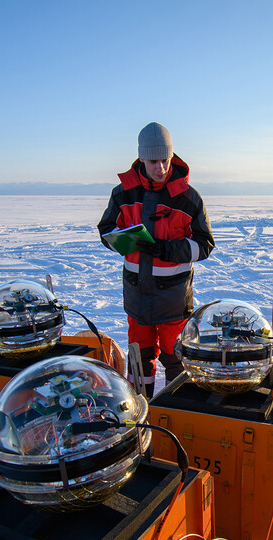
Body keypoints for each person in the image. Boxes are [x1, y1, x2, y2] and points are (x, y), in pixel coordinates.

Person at [98, 122, 215, 396]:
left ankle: (181, 409)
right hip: (137, 296)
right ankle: (141, 409)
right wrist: (120, 240)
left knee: (177, 358)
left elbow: (204, 245)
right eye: (153, 161)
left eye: (165, 160)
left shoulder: (188, 198)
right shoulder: (123, 193)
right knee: (139, 358)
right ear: (141, 158)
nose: (160, 168)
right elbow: (106, 230)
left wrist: (166, 249)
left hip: (173, 299)